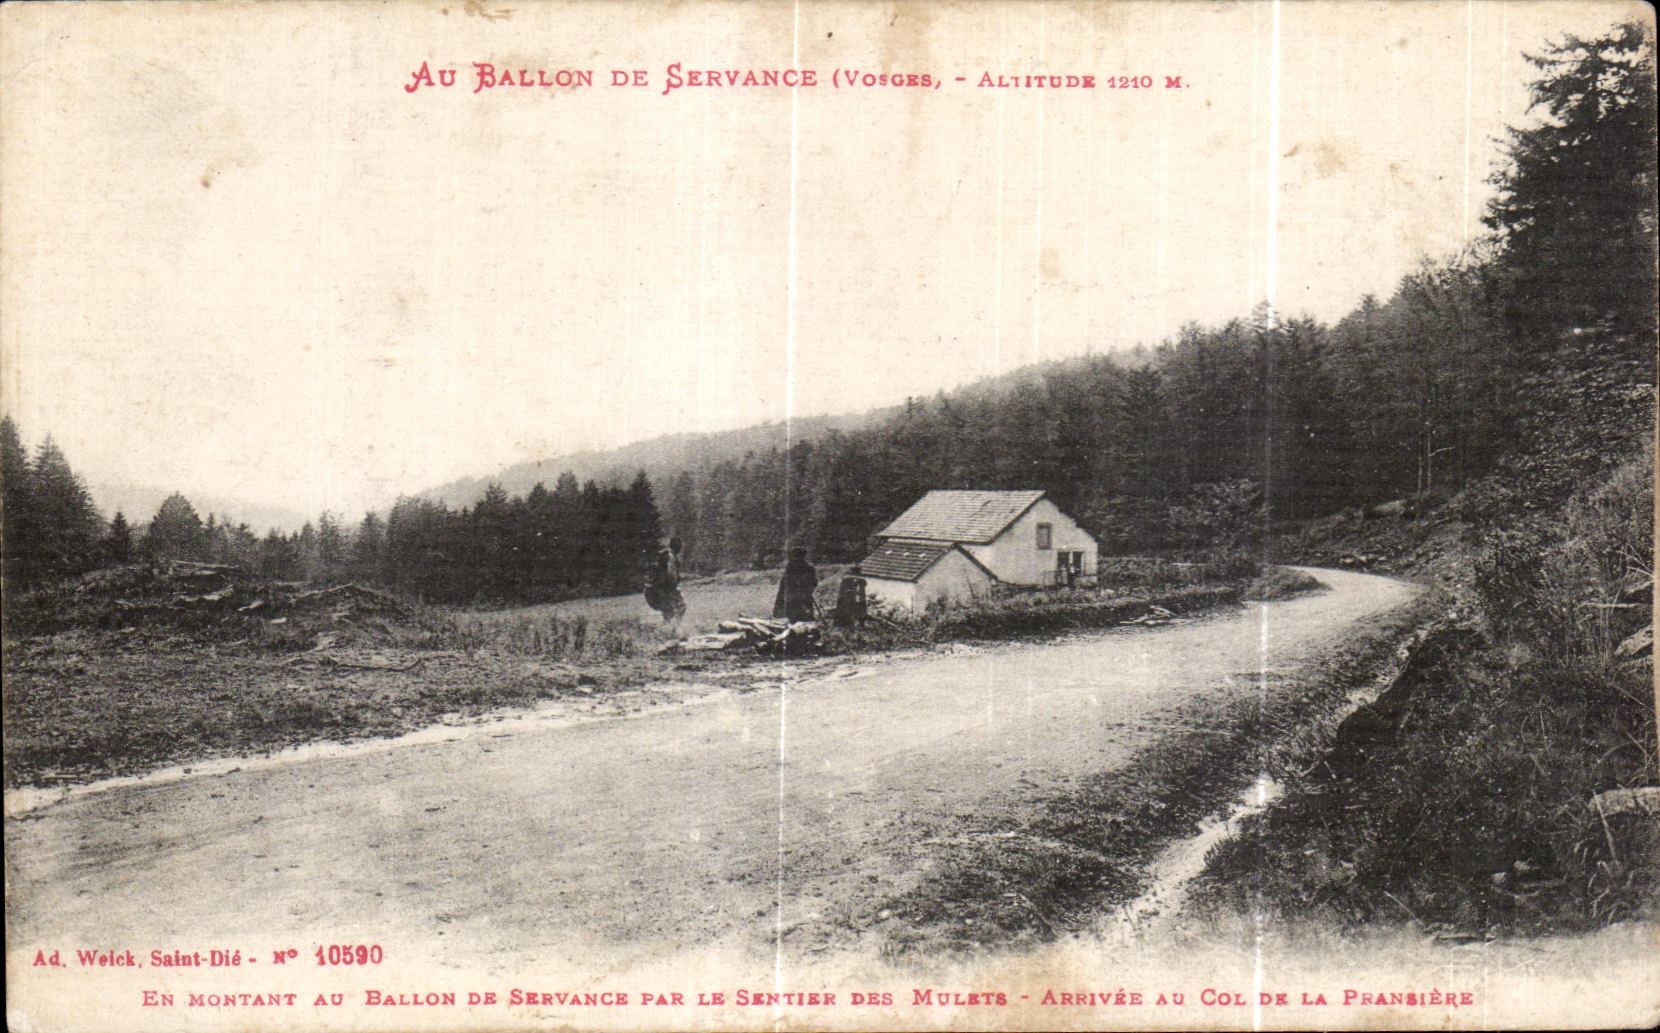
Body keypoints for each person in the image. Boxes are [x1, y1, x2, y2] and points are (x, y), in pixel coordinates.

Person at [646, 536, 686, 627]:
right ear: (676, 546)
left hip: (656, 587)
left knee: (668, 610)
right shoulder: (670, 556)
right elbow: (671, 574)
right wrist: (674, 585)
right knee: (680, 606)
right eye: (679, 546)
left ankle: (669, 628)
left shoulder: (664, 554)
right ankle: (674, 628)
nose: (680, 549)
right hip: (665, 588)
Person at [772, 546, 818, 623]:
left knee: (798, 616)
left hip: (797, 595)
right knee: (798, 615)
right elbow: (813, 583)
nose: (796, 559)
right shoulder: (793, 566)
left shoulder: (803, 567)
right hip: (796, 595)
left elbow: (812, 582)